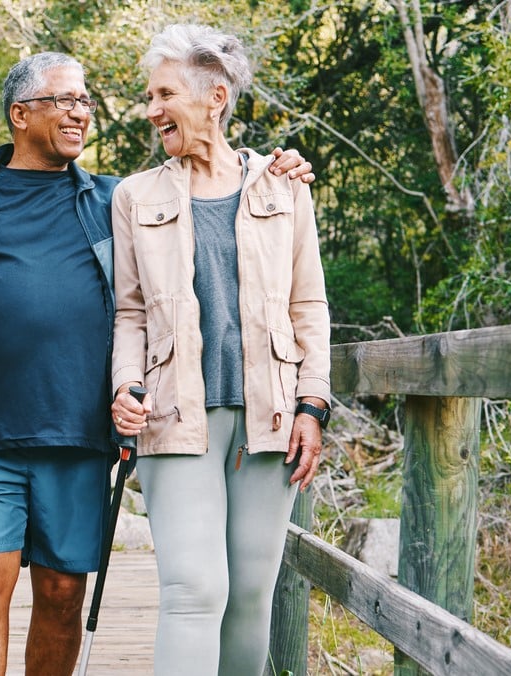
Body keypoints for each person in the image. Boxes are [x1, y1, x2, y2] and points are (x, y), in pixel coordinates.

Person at [0, 50, 313, 675]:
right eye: (65, 101)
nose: (81, 113)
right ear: (20, 114)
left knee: (64, 593)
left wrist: (273, 167)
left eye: (85, 102)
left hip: (79, 434)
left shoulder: (113, 201)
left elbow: (175, 248)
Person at [109, 24, 331, 676]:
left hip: (271, 417)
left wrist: (312, 405)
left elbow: (309, 306)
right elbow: (128, 312)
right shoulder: (134, 196)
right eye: (149, 96)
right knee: (194, 590)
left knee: (251, 594)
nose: (151, 110)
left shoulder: (285, 187)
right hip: (174, 415)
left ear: (215, 97)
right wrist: (125, 385)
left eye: (163, 94)